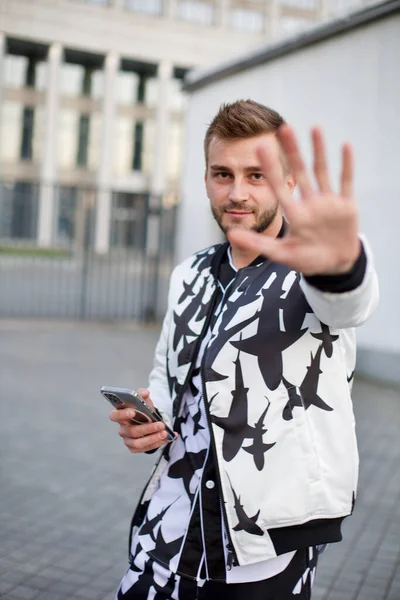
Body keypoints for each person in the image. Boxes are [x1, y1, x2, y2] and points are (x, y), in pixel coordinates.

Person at [110, 99, 379, 599]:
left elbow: (349, 304)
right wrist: (150, 420)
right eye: (222, 174)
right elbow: (172, 383)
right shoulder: (188, 273)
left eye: (258, 175)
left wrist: (342, 264)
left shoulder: (313, 268)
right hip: (167, 533)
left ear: (289, 182)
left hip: (263, 551)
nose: (237, 193)